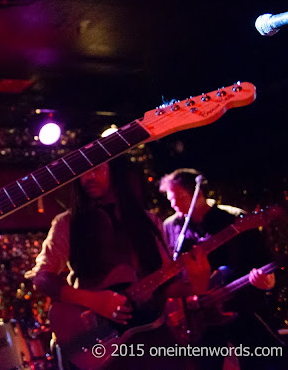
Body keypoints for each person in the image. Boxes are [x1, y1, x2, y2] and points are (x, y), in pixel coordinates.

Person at [26, 157, 186, 369]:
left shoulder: (149, 221)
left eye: (96, 168)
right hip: (99, 339)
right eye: (82, 172)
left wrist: (199, 278)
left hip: (152, 339)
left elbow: (168, 285)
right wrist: (94, 301)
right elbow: (43, 278)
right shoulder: (67, 223)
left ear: (115, 170)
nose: (88, 177)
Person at [159, 168, 284, 369]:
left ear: (197, 195)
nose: (173, 205)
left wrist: (268, 281)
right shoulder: (171, 226)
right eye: (170, 200)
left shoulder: (233, 218)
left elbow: (262, 260)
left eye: (178, 198)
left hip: (242, 306)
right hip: (197, 317)